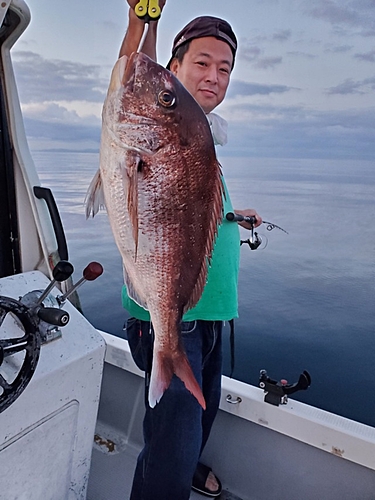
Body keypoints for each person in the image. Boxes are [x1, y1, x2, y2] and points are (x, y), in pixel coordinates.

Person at [119, 2, 262, 498]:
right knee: (173, 443)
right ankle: (170, 472)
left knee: (202, 412)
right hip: (169, 313)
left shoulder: (202, 133)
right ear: (175, 68)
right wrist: (144, 23)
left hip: (212, 309)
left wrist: (231, 214)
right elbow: (132, 84)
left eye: (225, 68)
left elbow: (188, 205)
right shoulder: (164, 121)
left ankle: (183, 461)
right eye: (202, 63)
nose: (214, 76)